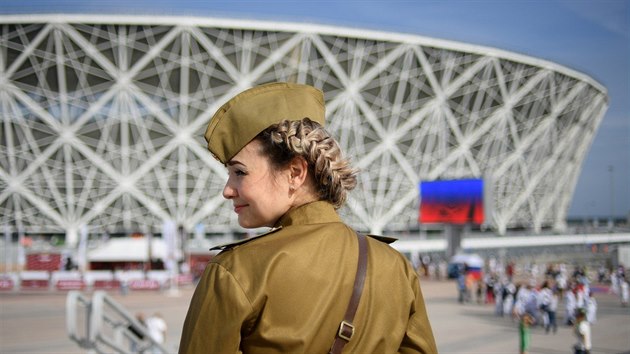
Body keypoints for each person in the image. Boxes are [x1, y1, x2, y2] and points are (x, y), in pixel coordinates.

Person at [178, 82, 437, 353]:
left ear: (295, 173)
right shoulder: (397, 267)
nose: (227, 190)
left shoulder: (236, 271)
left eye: (240, 173)